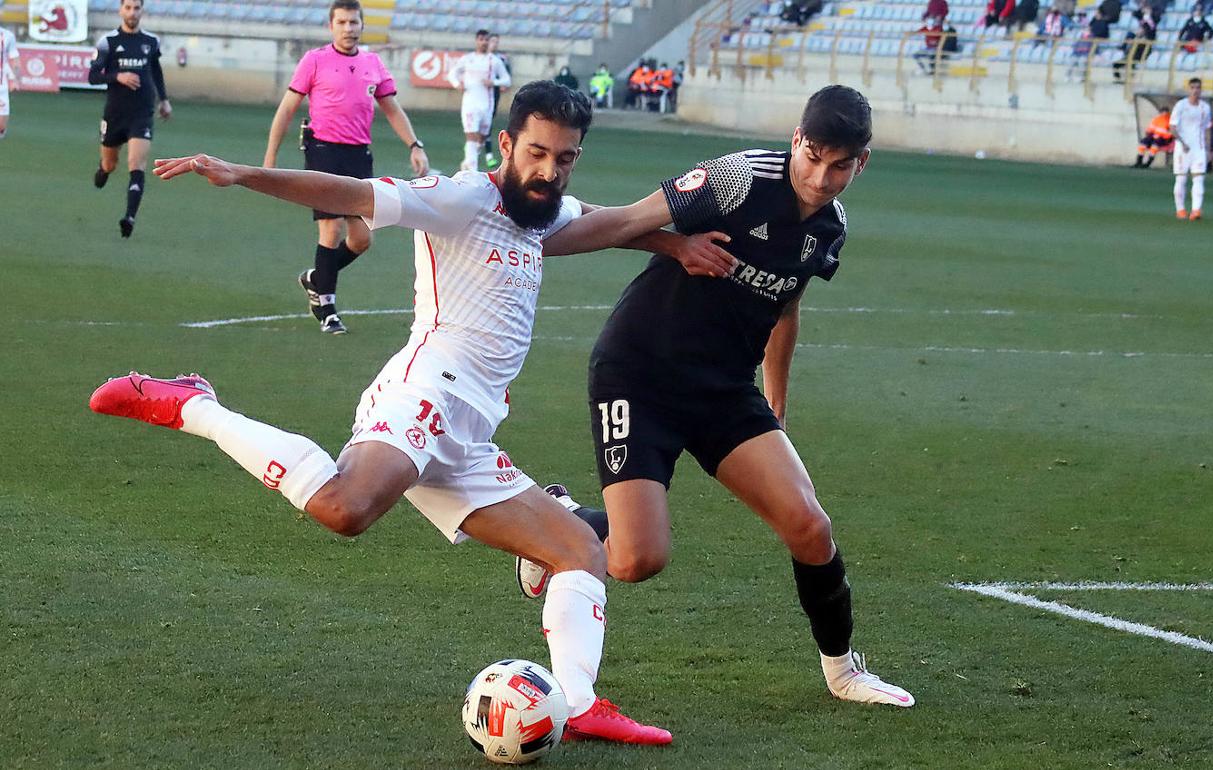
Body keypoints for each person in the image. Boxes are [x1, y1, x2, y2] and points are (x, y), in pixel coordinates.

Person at [87, 81, 737, 746]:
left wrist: (673, 245)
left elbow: (596, 222)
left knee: (580, 551)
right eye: (538, 153)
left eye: (565, 158)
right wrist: (242, 174)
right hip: (427, 392)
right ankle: (193, 405)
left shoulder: (543, 207)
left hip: (474, 430)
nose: (549, 170)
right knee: (346, 508)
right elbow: (349, 192)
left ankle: (578, 703)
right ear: (507, 144)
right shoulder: (461, 198)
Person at [516, 85, 915, 709]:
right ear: (796, 142)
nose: (821, 177)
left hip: (724, 389)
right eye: (813, 157)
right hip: (638, 372)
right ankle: (561, 522)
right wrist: (520, 243)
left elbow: (787, 307)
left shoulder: (831, 230)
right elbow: (624, 220)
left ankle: (843, 671)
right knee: (634, 559)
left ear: (862, 164)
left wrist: (776, 403)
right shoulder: (738, 178)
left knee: (810, 525)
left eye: (840, 166)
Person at [264, 0, 429, 336]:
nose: (348, 28)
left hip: (358, 155)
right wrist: (270, 159)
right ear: (331, 26)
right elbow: (286, 109)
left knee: (362, 238)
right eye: (342, 22)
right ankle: (327, 308)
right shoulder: (314, 60)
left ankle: (316, 278)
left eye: (354, 22)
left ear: (362, 25)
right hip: (322, 150)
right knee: (331, 230)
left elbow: (393, 109)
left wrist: (414, 145)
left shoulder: (372, 63)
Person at [88, 0, 171, 239]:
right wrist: (118, 76)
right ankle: (103, 169)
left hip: (142, 113)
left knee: (137, 164)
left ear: (141, 11)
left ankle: (129, 217)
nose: (132, 12)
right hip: (115, 114)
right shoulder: (108, 42)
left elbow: (155, 70)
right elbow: (93, 76)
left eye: (136, 8)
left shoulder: (151, 42)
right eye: (128, 8)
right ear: (120, 10)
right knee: (110, 164)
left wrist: (164, 100)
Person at [447, 28, 511, 173]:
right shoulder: (467, 59)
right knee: (471, 136)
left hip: (487, 106)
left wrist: (493, 82)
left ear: (489, 42)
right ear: (476, 41)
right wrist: (458, 84)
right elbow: (452, 74)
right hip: (470, 104)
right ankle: (472, 172)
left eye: (486, 40)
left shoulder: (494, 61)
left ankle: (467, 162)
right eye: (481, 39)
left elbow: (507, 80)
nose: (483, 42)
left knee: (481, 139)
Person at [1170, 77, 1213, 220]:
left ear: (1201, 90)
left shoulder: (1205, 108)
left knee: (1199, 178)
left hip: (1198, 149)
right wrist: (1182, 143)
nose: (1195, 90)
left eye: (1198, 88)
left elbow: (1206, 128)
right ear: (1189, 89)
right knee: (1181, 179)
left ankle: (1196, 211)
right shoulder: (1181, 106)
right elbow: (1172, 127)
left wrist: (1208, 148)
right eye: (1193, 88)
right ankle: (1180, 210)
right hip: (1183, 149)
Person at [481, 32, 510, 171]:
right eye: (492, 41)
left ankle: (482, 149)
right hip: (478, 96)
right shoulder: (478, 58)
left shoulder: (500, 59)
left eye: (496, 42)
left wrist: (495, 82)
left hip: (493, 95)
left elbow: (506, 78)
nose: (494, 44)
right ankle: (488, 155)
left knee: (487, 125)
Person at [0, 25, 18, 140]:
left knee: (1, 126)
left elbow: (14, 59)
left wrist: (13, 79)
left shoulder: (7, 35)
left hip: (1, 86)